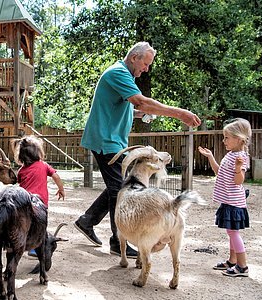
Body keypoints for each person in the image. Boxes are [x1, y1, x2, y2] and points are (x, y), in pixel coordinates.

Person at [74, 42, 201, 258]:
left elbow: (122, 107)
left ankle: (87, 221)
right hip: (106, 141)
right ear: (134, 57)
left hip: (113, 141)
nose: (146, 69)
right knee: (119, 191)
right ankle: (117, 241)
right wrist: (179, 114)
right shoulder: (118, 73)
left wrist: (137, 114)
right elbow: (141, 101)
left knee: (117, 186)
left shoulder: (124, 76)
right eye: (145, 63)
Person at [198, 118, 252, 277]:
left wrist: (237, 168)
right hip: (228, 200)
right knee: (231, 232)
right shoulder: (231, 154)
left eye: (227, 137)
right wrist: (210, 157)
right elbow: (219, 172)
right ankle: (232, 261)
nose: (224, 140)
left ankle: (242, 267)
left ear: (239, 139)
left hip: (234, 202)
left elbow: (239, 181)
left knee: (233, 233)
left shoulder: (240, 157)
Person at [13, 135, 65, 257]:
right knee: (41, 225)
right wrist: (61, 189)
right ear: (38, 152)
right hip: (40, 203)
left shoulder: (21, 170)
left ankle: (25, 245)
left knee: (26, 225)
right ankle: (36, 247)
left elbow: (20, 183)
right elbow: (55, 176)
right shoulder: (43, 165)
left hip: (24, 203)